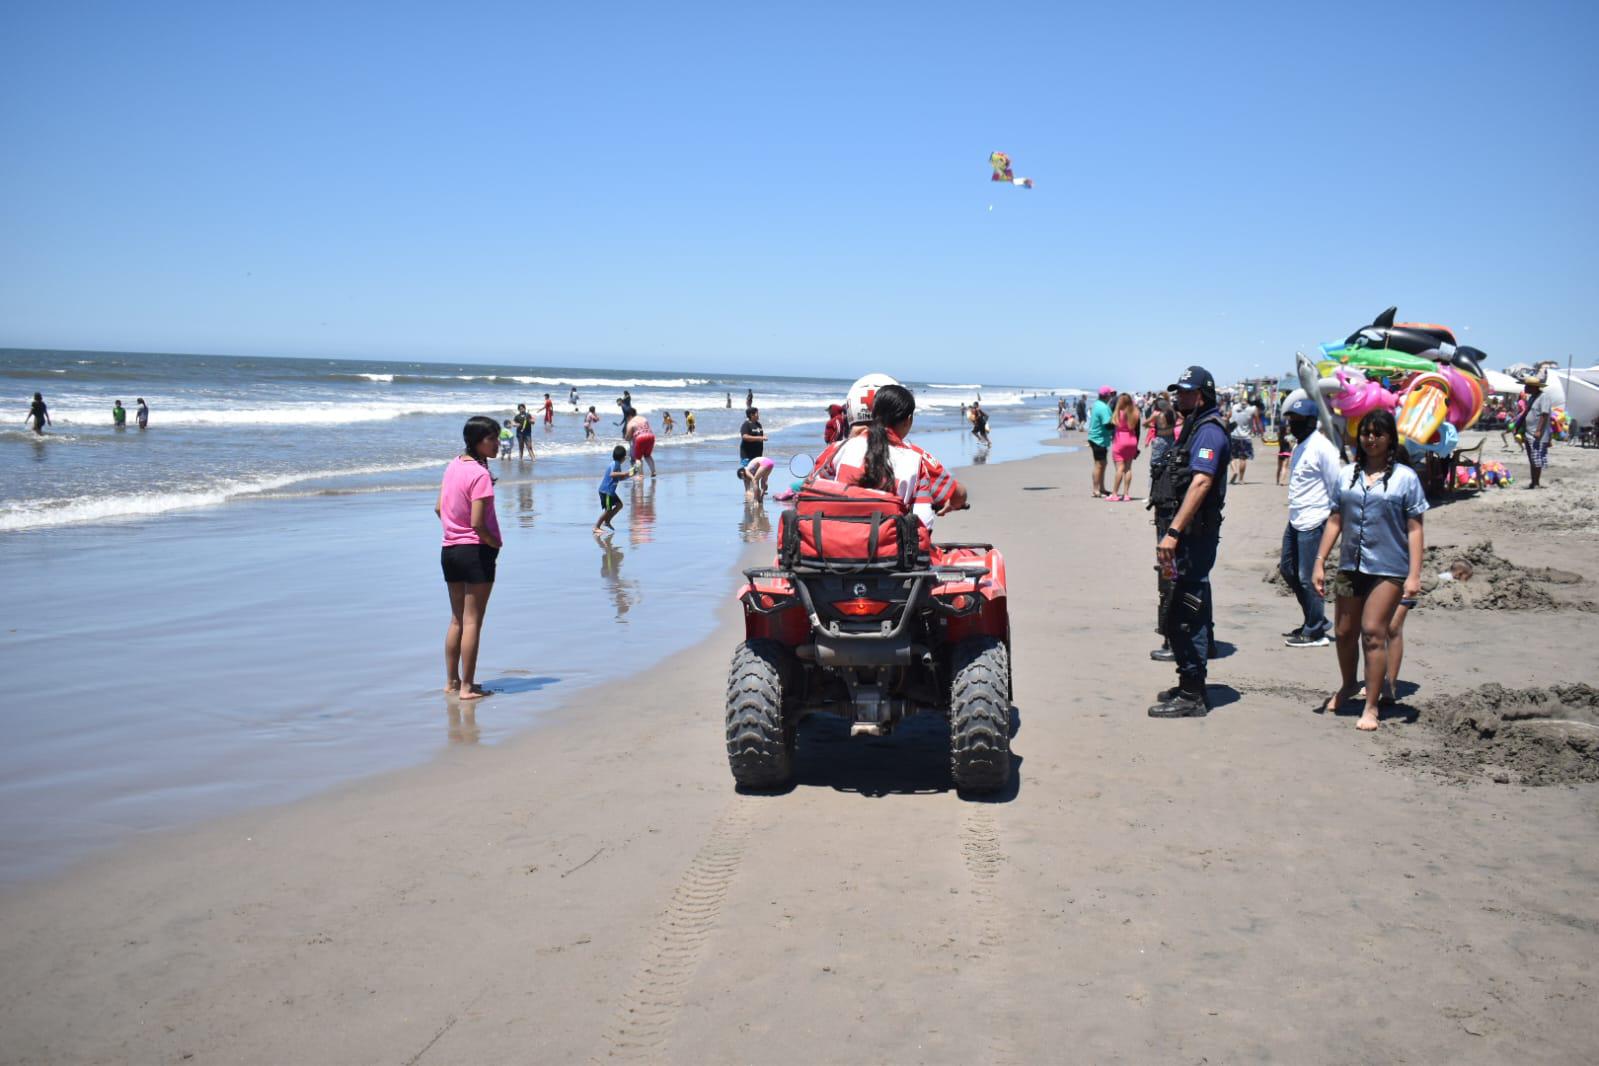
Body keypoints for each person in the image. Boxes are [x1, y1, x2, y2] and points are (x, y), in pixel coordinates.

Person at [1312, 409, 1427, 731]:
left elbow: (1415, 528)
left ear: (1390, 438)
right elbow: (1336, 519)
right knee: (1344, 632)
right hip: (1350, 565)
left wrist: (1414, 575)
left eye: (1378, 433)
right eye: (1366, 433)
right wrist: (1320, 561)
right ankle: (1349, 684)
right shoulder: (1347, 474)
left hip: (1388, 569)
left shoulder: (1406, 478)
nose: (1371, 439)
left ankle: (1372, 706)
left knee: (1373, 632)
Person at [1148, 366, 1230, 718]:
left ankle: (1193, 694)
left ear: (1203, 395)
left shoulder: (1209, 433)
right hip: (1190, 536)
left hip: (1194, 537)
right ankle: (1188, 684)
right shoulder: (1195, 428)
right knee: (1185, 608)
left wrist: (1174, 532)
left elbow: (1201, 483)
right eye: (1178, 391)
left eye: (1186, 392)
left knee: (1187, 613)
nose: (1179, 397)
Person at [818, 381, 967, 546]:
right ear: (908, 420)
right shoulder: (916, 460)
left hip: (836, 548)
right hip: (889, 556)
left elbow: (814, 489)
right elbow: (924, 523)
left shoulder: (839, 449)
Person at [436, 416, 504, 702]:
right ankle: (467, 687)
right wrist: (494, 541)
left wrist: (455, 530)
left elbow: (439, 508)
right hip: (476, 551)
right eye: (492, 439)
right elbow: (477, 522)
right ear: (477, 441)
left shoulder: (453, 465)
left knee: (456, 621)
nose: (498, 444)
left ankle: (452, 682)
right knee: (473, 621)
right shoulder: (479, 474)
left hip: (450, 550)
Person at [1279, 397, 1341, 648]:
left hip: (1315, 520)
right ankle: (1315, 619)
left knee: (1308, 577)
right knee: (1287, 569)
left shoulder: (1323, 448)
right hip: (1296, 518)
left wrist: (1333, 521)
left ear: (1312, 421)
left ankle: (1315, 631)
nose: (1293, 424)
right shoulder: (1299, 446)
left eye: (1298, 420)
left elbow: (1336, 485)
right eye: (1291, 420)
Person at [1521, 375, 1554, 488]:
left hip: (1537, 434)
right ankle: (1533, 482)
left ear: (1533, 387)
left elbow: (1544, 414)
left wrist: (1539, 430)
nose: (1524, 388)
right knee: (1532, 458)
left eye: (1526, 386)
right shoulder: (1532, 397)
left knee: (1537, 459)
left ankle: (1536, 482)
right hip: (1528, 432)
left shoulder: (1543, 397)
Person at [1107, 393, 1141, 501]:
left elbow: (1111, 424)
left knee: (1119, 468)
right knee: (1128, 468)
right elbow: (1138, 430)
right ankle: (1126, 494)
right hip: (1132, 440)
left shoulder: (1118, 412)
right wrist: (1136, 446)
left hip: (1120, 439)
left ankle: (1114, 494)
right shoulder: (1135, 413)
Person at [594, 444, 632, 533]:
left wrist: (629, 475)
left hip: (611, 492)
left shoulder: (617, 465)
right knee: (608, 510)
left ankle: (607, 521)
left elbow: (619, 478)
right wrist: (625, 473)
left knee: (619, 505)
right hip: (606, 491)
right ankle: (596, 527)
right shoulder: (615, 464)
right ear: (623, 458)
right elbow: (612, 474)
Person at [1087, 386, 1115, 497]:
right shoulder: (1103, 407)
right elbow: (1107, 425)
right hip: (1098, 439)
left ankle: (1102, 488)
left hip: (1097, 437)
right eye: (1111, 394)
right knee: (1099, 464)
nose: (1111, 397)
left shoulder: (1097, 404)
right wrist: (1118, 424)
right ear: (1107, 395)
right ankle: (1096, 489)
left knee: (1103, 463)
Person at [1228, 394, 1254, 484]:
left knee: (1231, 457)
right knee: (1243, 459)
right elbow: (1256, 421)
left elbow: (1228, 417)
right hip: (1246, 437)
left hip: (1234, 436)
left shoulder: (1234, 407)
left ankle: (1234, 471)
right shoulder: (1251, 409)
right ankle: (1241, 479)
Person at [625, 410, 657, 478]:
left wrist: (626, 438)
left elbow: (628, 437)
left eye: (626, 417)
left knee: (638, 458)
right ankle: (653, 471)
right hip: (651, 436)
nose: (626, 419)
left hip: (640, 438)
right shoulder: (644, 418)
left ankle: (641, 475)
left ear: (629, 416)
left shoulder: (630, 422)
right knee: (648, 455)